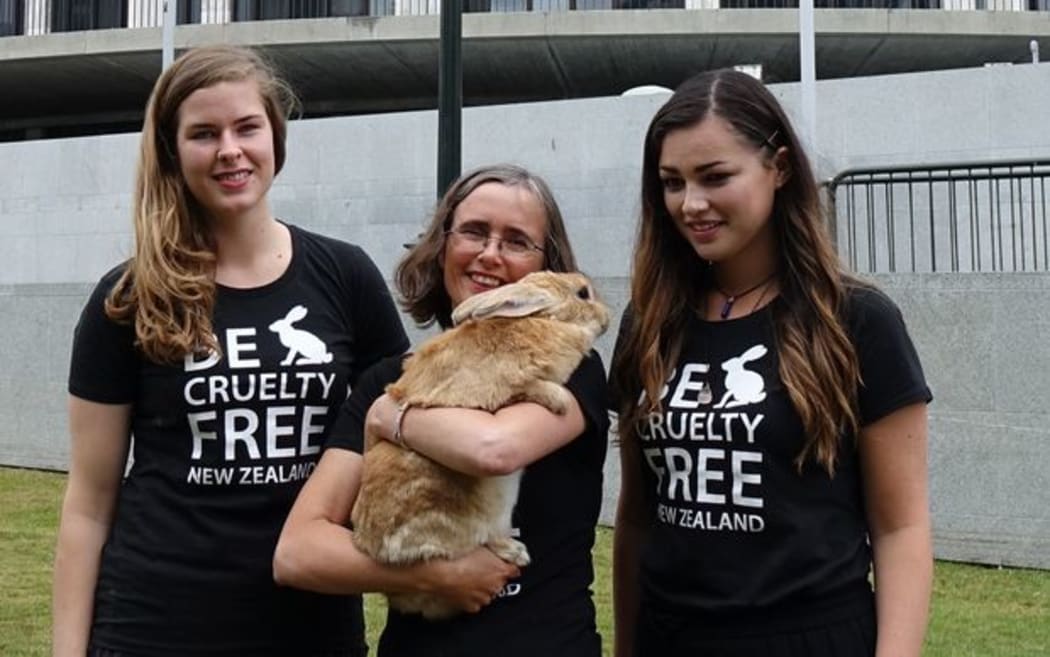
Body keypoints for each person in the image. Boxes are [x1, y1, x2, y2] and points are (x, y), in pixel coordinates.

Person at [52, 45, 409, 657]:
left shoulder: (346, 276)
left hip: (311, 625)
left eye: (247, 127)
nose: (229, 150)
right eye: (203, 134)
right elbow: (89, 504)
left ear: (275, 137)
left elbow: (398, 428)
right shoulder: (129, 298)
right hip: (155, 628)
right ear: (172, 151)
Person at [609, 69, 933, 657]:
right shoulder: (648, 322)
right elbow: (636, 518)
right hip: (670, 635)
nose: (691, 204)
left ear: (778, 168)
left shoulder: (856, 321)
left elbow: (900, 527)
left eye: (715, 177)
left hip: (813, 636)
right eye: (672, 182)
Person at [274, 163, 609, 657]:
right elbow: (298, 552)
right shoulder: (389, 378)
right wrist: (435, 574)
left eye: (517, 241)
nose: (489, 254)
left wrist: (394, 419)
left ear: (547, 271)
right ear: (443, 245)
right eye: (473, 232)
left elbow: (494, 448)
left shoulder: (569, 368)